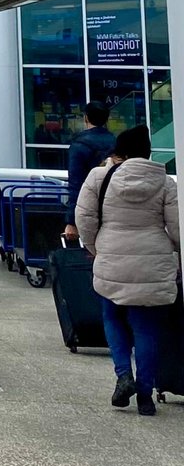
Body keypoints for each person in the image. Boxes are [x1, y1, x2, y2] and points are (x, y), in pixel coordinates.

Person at [74, 125, 181, 417]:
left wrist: (96, 247)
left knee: (112, 316)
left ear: (119, 152)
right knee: (147, 328)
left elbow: (84, 217)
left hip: (111, 256)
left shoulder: (101, 176)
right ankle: (145, 396)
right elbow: (176, 227)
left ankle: (123, 375)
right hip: (153, 261)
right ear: (148, 152)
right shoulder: (165, 182)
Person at [64, 102, 117, 244]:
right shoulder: (117, 143)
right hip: (116, 206)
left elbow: (75, 184)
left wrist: (71, 221)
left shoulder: (79, 145)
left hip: (89, 206)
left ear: (86, 118)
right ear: (106, 119)